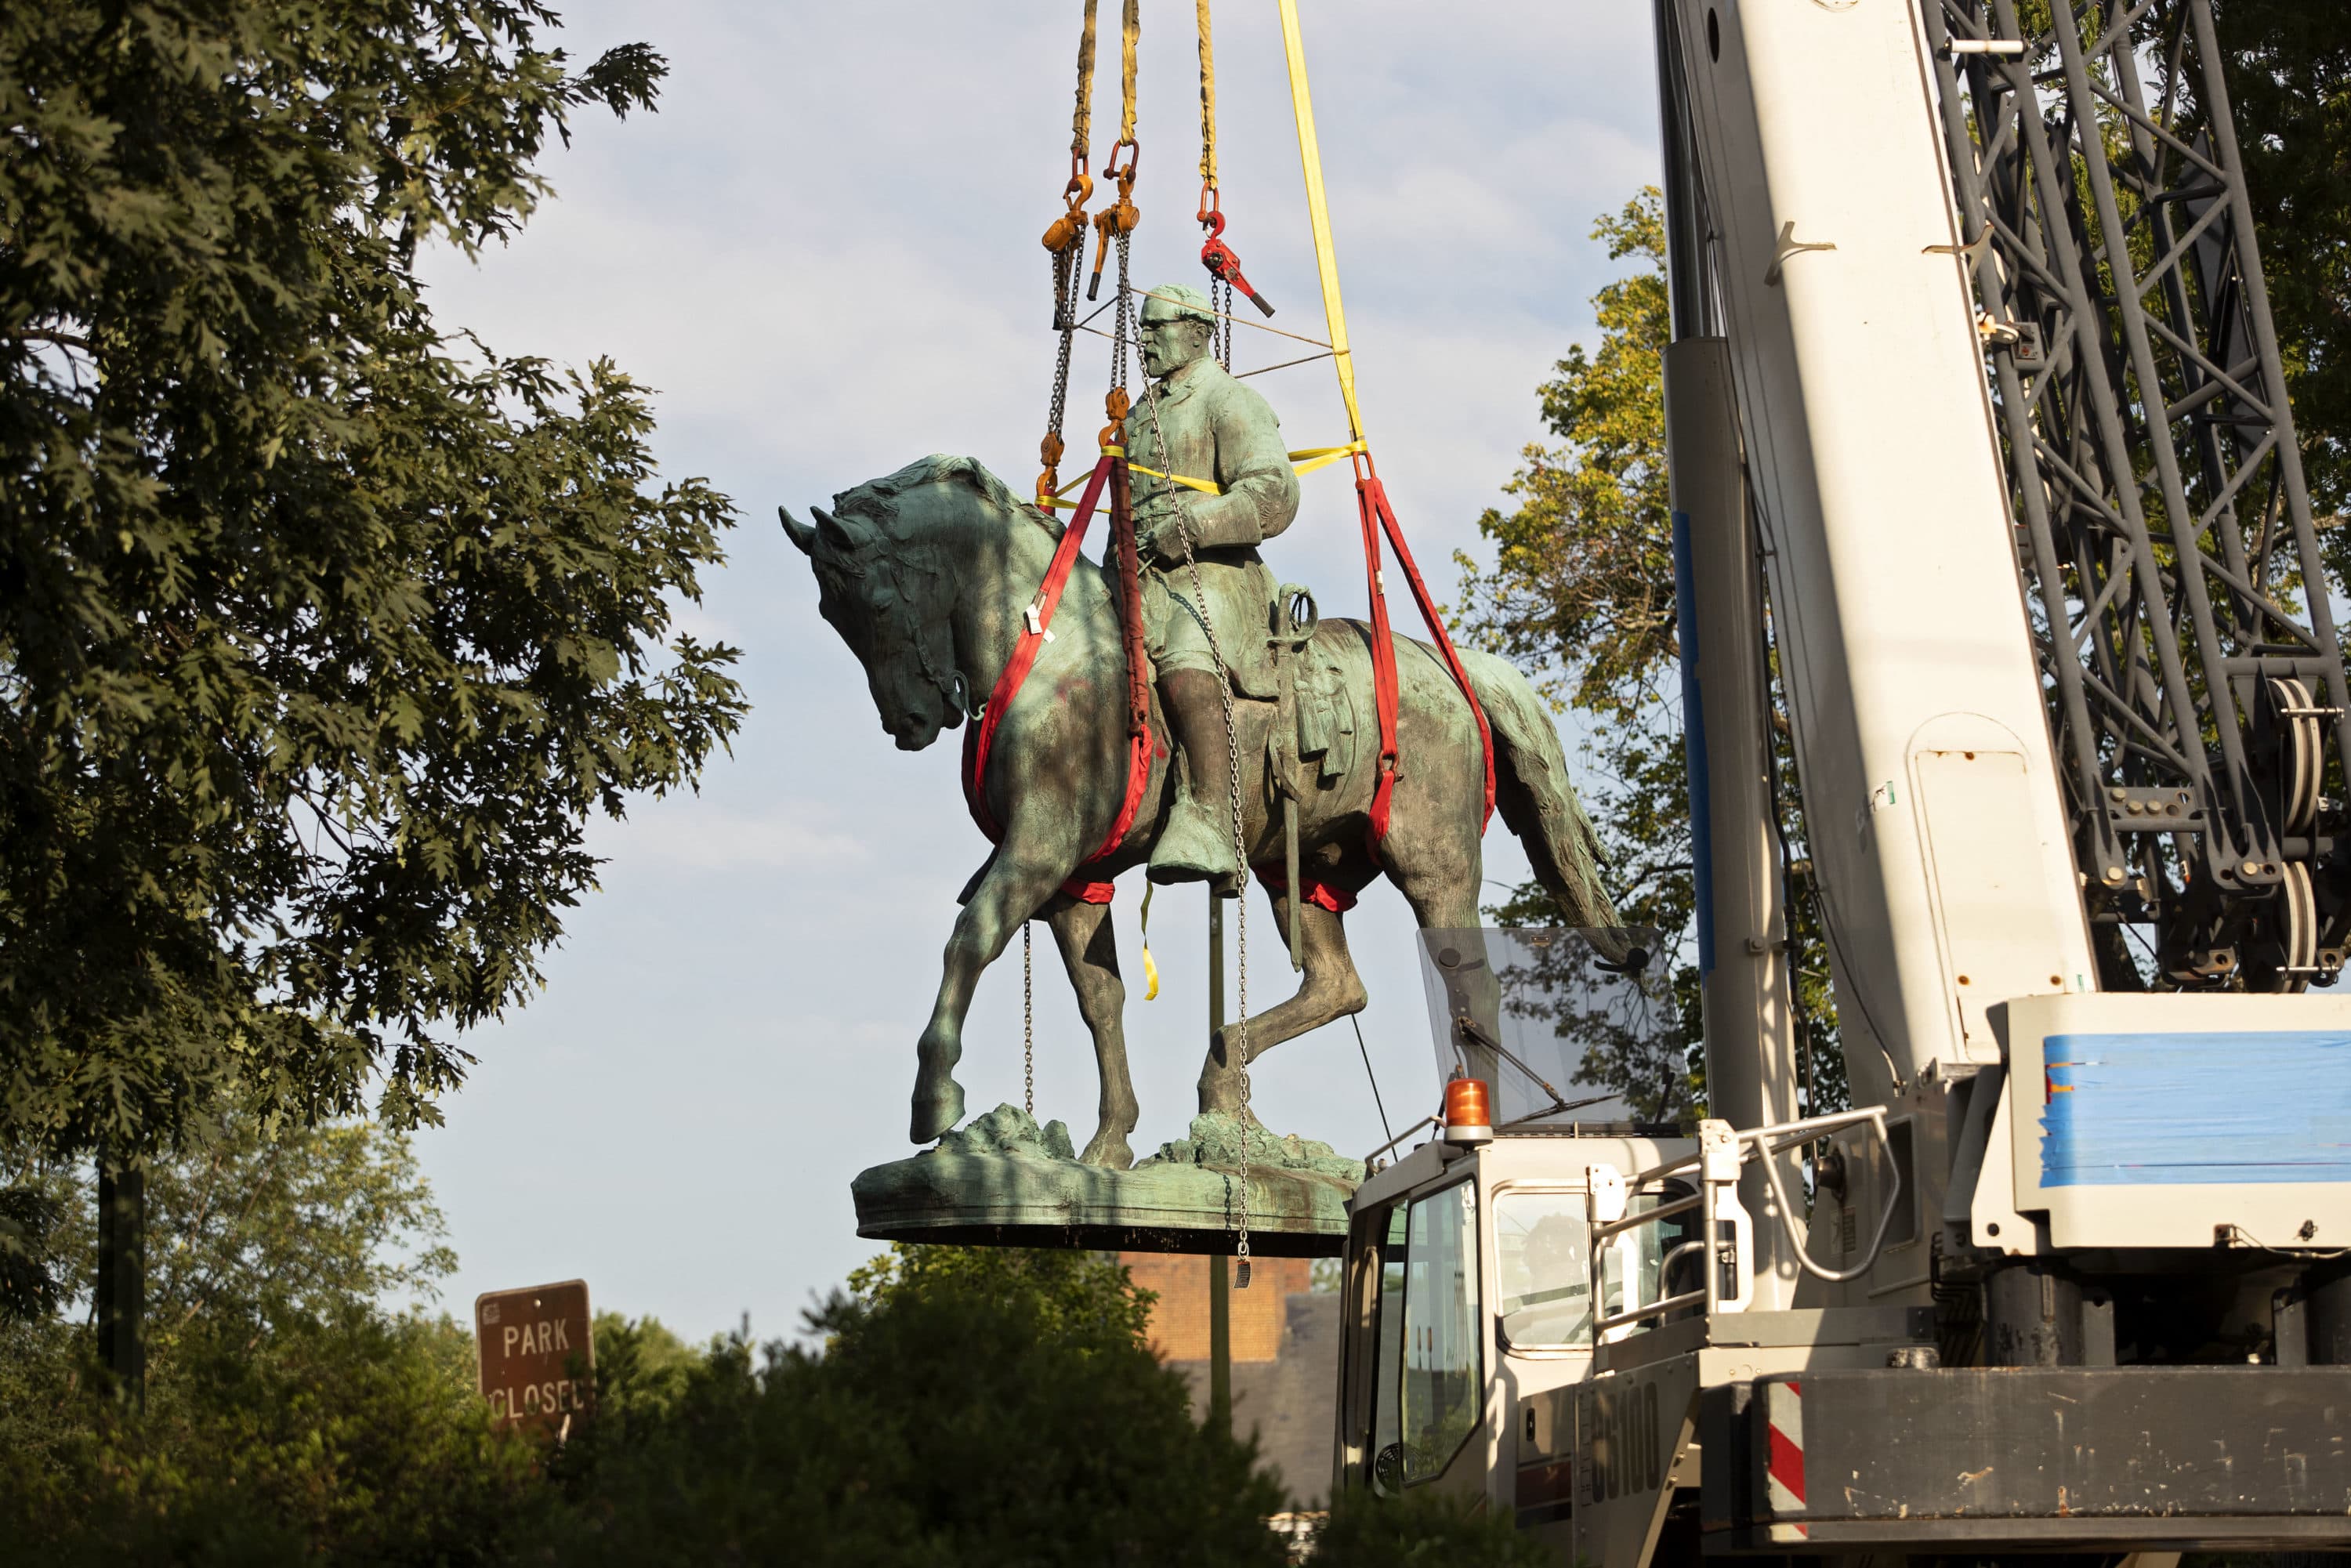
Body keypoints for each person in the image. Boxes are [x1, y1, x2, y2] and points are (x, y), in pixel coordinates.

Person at [1124, 283, 1301, 886]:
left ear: (1197, 330)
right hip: (1143, 580)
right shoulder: (1139, 415)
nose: (1142, 339)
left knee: (1185, 653)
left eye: (1156, 327)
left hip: (1218, 578)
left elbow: (1274, 494)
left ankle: (1210, 816)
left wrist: (1192, 526)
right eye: (1141, 328)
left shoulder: (1230, 400)